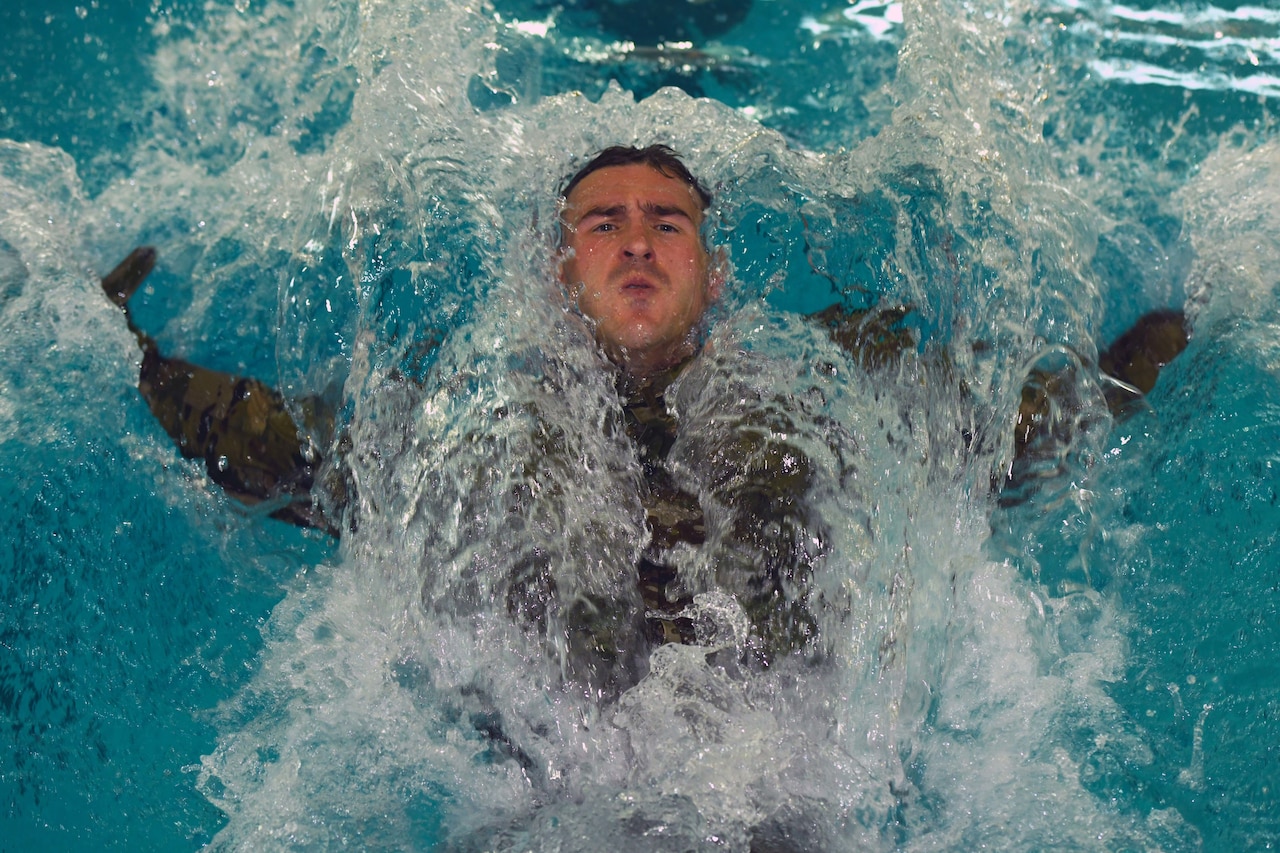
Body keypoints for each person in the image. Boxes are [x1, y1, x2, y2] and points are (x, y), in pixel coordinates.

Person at [99, 144, 1189, 682]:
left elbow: (1008, 428)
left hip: (780, 771)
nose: (633, 241)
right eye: (602, 223)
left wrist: (1177, 331)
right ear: (556, 266)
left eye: (667, 222)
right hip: (546, 784)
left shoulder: (820, 392)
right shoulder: (463, 417)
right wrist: (120, 354)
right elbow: (289, 458)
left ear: (713, 275)